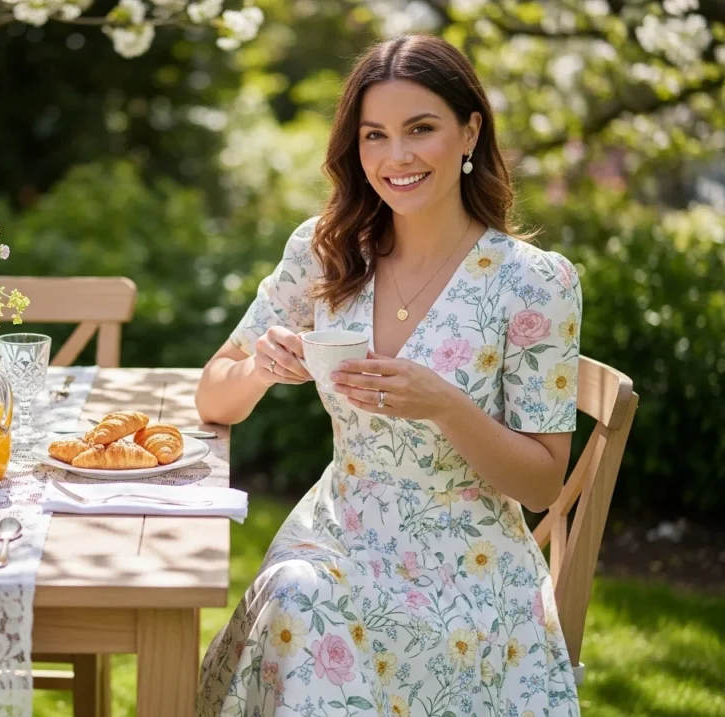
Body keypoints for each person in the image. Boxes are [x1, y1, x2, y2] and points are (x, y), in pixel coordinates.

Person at [195, 33, 582, 717]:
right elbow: (214, 394)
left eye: (420, 129)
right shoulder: (327, 251)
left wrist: (446, 405)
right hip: (339, 533)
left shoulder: (534, 282)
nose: (395, 157)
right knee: (296, 595)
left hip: (472, 570)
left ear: (469, 133)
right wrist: (259, 367)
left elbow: (543, 481)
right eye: (375, 135)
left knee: (304, 610)